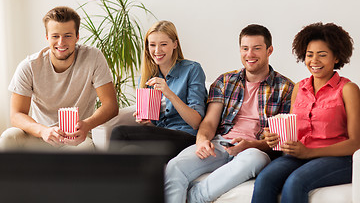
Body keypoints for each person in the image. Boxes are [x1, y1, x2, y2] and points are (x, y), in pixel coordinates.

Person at [165, 24, 294, 203]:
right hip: (221, 143)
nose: (250, 54)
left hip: (253, 150)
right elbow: (210, 122)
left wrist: (251, 145)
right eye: (245, 48)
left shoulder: (286, 88)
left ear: (269, 50)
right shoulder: (225, 81)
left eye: (257, 48)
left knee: (253, 159)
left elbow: (279, 141)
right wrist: (203, 141)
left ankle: (196, 198)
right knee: (174, 166)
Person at [251, 22, 360, 203]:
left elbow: (356, 143)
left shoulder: (348, 89)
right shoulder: (299, 88)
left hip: (338, 159)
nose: (314, 61)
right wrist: (273, 137)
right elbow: (292, 130)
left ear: (336, 58)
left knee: (295, 182)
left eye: (322, 55)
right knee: (265, 179)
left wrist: (308, 152)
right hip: (300, 154)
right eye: (309, 55)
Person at [0, 6, 118, 150]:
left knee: (84, 151)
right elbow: (16, 115)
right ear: (47, 37)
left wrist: (86, 125)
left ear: (77, 36)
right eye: (55, 36)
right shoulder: (29, 66)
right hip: (41, 135)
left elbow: (110, 105)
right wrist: (42, 131)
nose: (61, 42)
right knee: (9, 137)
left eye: (68, 35)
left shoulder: (93, 58)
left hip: (77, 139)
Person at [110, 20, 207, 159]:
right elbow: (154, 125)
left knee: (120, 133)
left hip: (186, 136)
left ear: (175, 44)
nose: (157, 51)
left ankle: (101, 179)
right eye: (152, 45)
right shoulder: (147, 78)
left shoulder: (192, 70)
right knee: (129, 150)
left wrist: (169, 93)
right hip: (162, 134)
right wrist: (148, 122)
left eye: (163, 44)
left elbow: (196, 122)